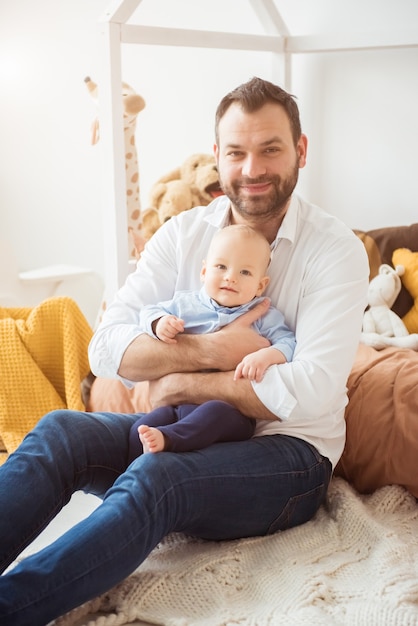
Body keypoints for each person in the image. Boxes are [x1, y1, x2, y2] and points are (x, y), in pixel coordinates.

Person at [0, 76, 369, 626]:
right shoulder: (182, 235)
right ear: (217, 155)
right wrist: (212, 351)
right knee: (60, 431)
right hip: (178, 425)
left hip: (289, 461)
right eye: (237, 152)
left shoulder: (335, 250)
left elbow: (310, 392)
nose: (252, 169)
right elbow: (108, 347)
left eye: (271, 149)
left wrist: (176, 382)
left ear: (300, 150)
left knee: (157, 478)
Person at [128, 223, 296, 459]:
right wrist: (160, 322)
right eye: (221, 266)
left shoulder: (263, 315)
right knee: (139, 429)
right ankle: (142, 462)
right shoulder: (186, 305)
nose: (231, 277)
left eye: (245, 272)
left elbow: (288, 343)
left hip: (230, 412)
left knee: (214, 414)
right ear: (204, 272)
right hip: (179, 406)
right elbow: (147, 312)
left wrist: (267, 355)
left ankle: (170, 439)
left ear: (260, 285)